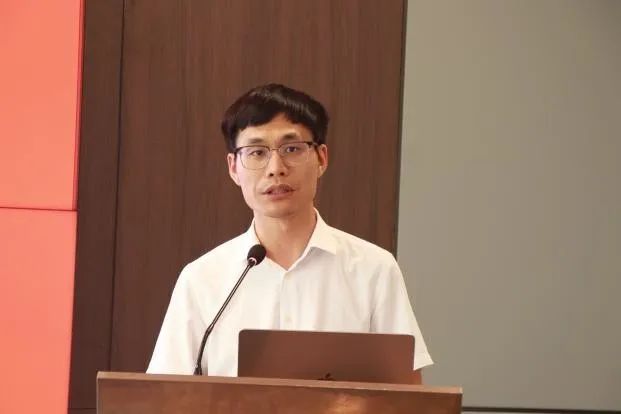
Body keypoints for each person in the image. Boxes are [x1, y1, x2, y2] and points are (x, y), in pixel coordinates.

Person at [147, 84, 432, 383]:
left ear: (321, 158)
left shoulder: (374, 269)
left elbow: (407, 394)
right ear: (233, 168)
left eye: (292, 149)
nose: (275, 168)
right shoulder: (202, 278)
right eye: (256, 152)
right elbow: (165, 395)